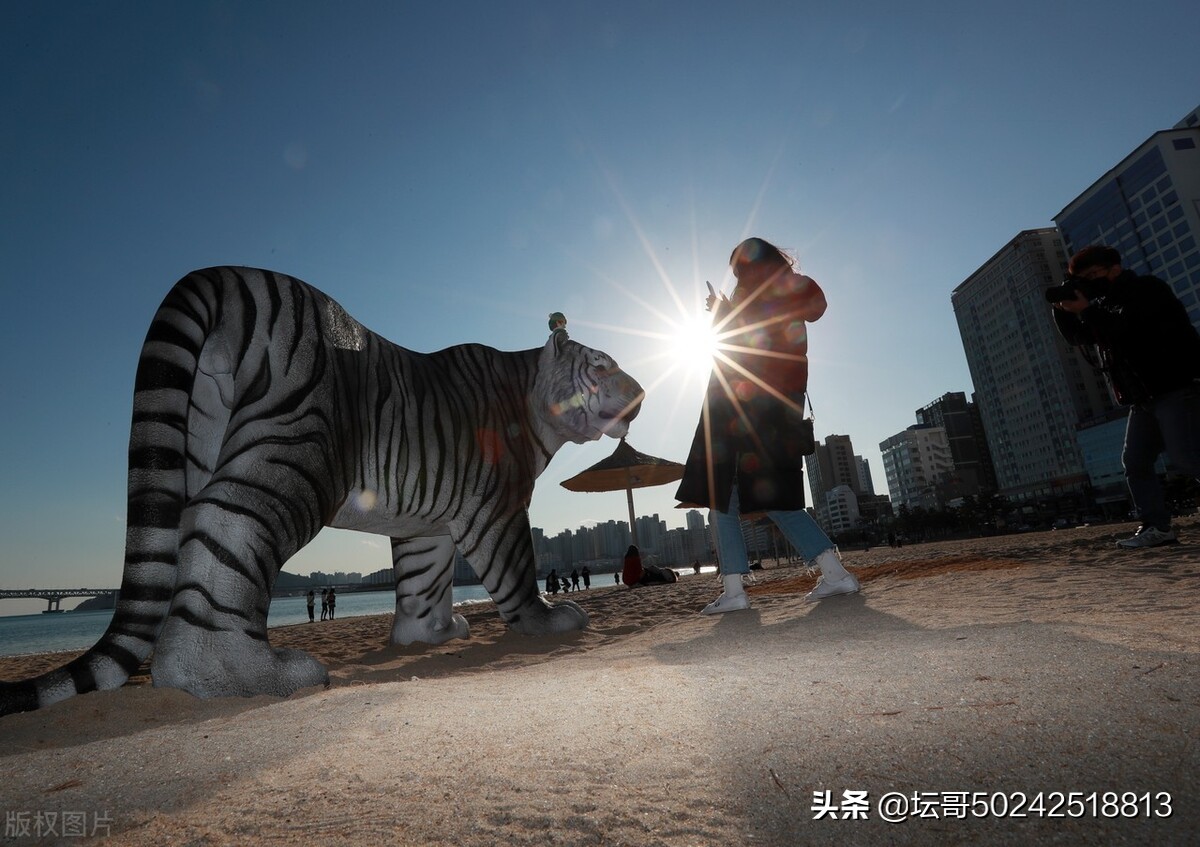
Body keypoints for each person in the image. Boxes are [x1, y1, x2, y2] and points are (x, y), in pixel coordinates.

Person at [675, 237, 860, 613]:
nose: (738, 276)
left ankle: (736, 591)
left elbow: (755, 342)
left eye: (739, 269)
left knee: (731, 496)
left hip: (748, 408)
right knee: (756, 496)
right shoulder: (778, 290)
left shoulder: (775, 290)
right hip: (769, 406)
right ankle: (831, 574)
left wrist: (729, 311)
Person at [1052, 245, 1200, 548]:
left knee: (1187, 458)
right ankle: (1157, 528)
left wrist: (1088, 310)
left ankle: (1157, 526)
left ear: (1114, 269)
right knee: (1135, 462)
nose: (1091, 284)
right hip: (1143, 398)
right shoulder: (1103, 304)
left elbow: (1126, 329)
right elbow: (1081, 337)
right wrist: (1062, 311)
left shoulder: (1146, 289)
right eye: (1085, 279)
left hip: (1176, 386)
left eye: (1093, 276)